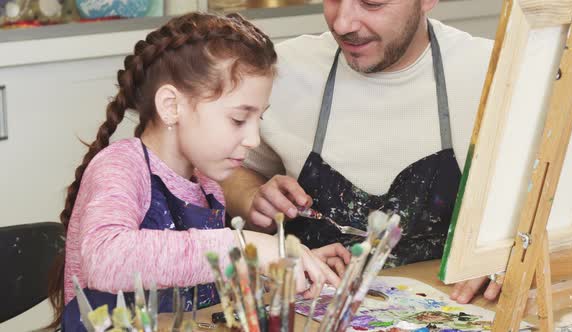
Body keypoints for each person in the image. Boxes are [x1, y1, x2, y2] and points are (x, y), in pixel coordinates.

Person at [47, 12, 350, 331]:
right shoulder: (121, 166)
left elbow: (201, 284)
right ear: (171, 106)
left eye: (258, 120)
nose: (253, 139)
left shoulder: (207, 184)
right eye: (238, 119)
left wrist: (289, 265)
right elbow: (104, 261)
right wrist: (242, 246)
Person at [221, 0, 500, 303]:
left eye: (372, 2)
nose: (342, 24)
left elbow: (541, 214)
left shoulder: (495, 74)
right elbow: (224, 173)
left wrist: (509, 254)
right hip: (309, 313)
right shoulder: (283, 71)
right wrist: (251, 196)